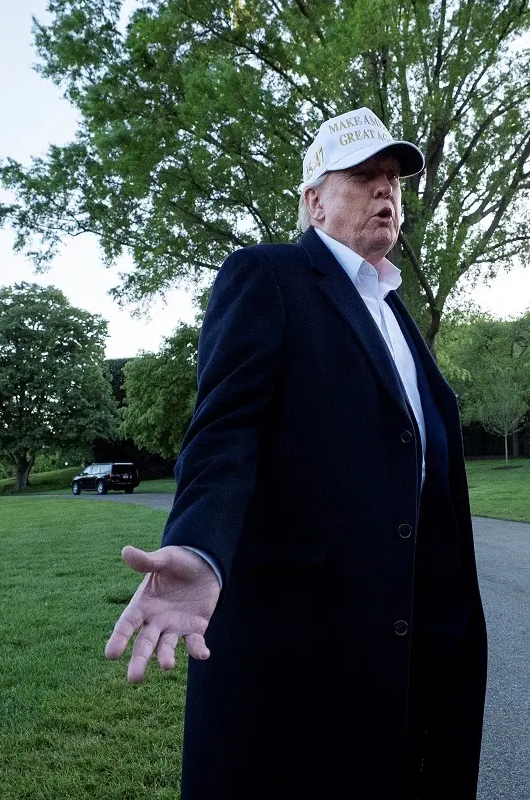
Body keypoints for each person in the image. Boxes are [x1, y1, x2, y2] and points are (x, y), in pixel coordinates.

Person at [105, 107, 488, 800]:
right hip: (303, 653)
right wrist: (200, 546)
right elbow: (225, 431)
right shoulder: (268, 277)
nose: (386, 190)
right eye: (363, 176)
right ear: (314, 202)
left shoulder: (394, 311)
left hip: (408, 646)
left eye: (394, 178)